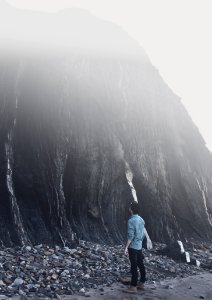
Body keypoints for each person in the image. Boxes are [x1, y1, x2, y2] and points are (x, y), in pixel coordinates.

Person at [123, 201, 146, 294]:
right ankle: (141, 283)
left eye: (130, 207)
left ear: (132, 210)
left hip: (132, 247)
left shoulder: (131, 220)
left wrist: (125, 248)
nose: (128, 209)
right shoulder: (141, 219)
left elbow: (130, 236)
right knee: (140, 264)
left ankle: (133, 287)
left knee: (133, 266)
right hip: (139, 246)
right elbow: (143, 234)